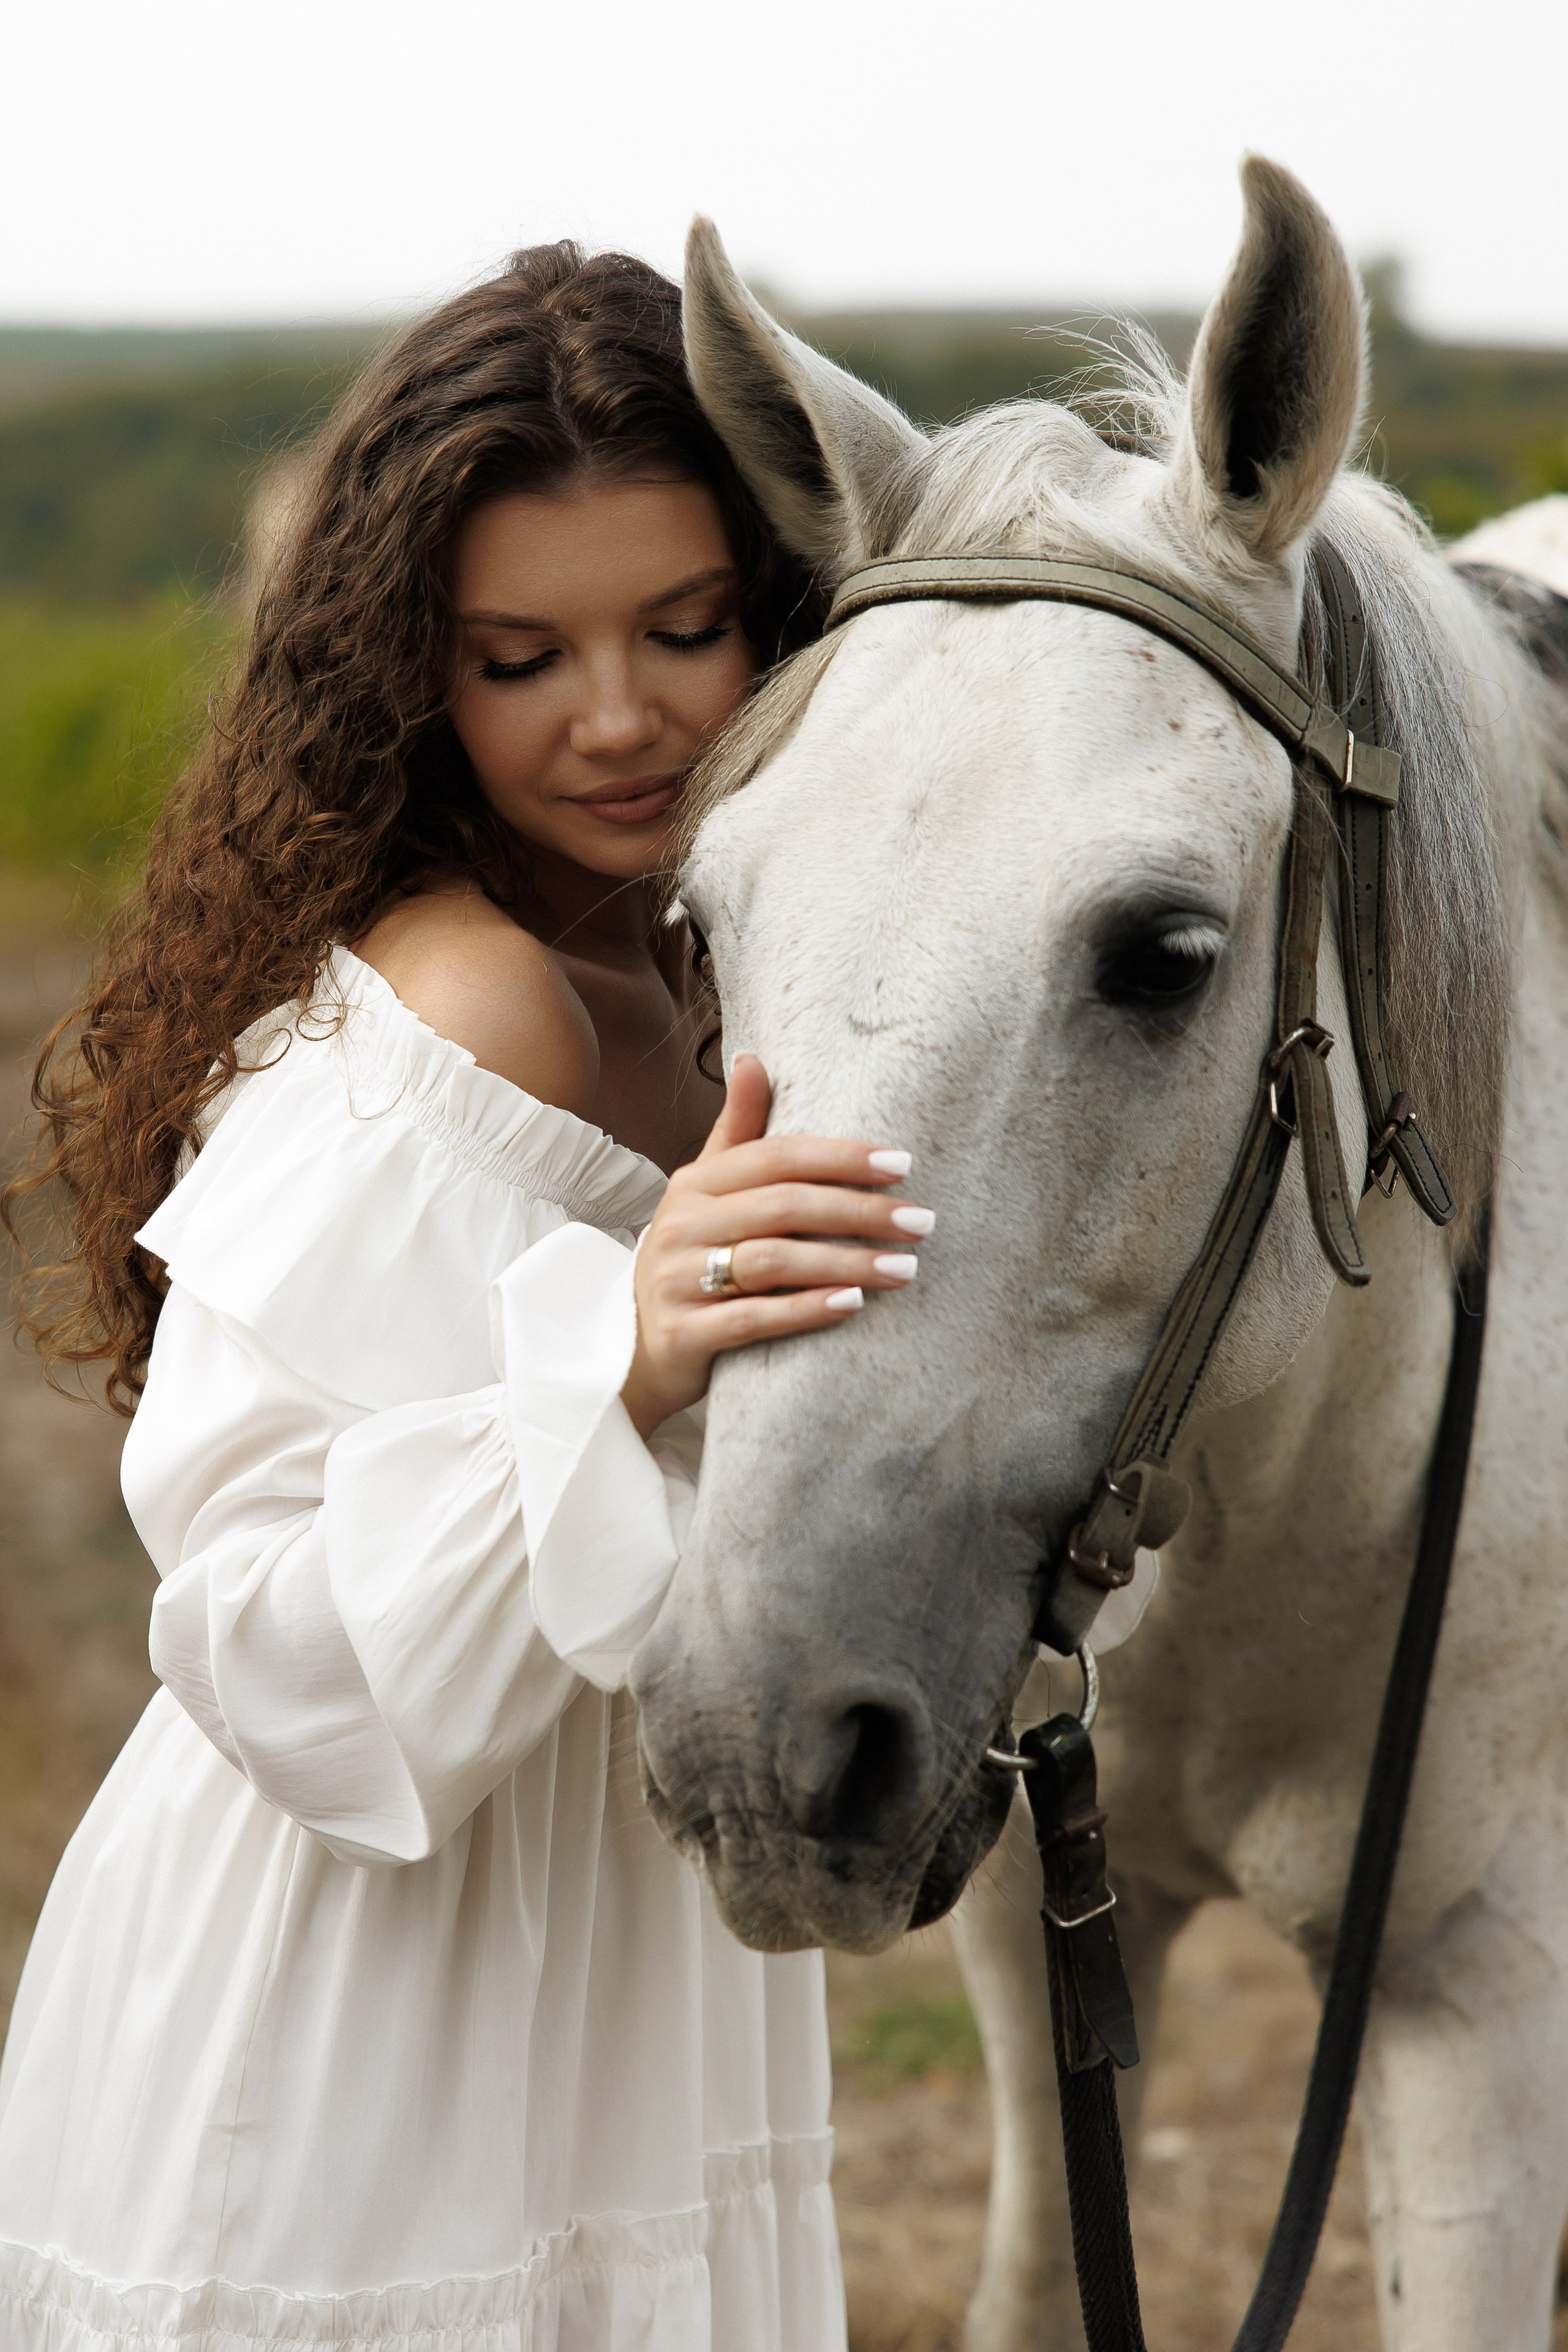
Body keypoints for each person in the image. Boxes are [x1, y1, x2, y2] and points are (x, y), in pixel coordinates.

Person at [0, 243, 932, 2352]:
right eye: (522, 657)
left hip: (604, 1963)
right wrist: (617, 1352)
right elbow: (253, 1625)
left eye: (687, 629)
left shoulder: (706, 959)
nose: (619, 717)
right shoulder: (478, 1007)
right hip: (367, 2002)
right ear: (416, 669)